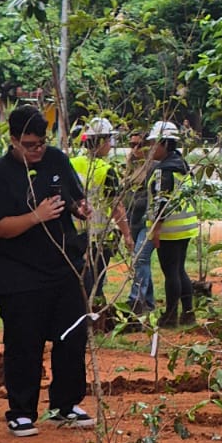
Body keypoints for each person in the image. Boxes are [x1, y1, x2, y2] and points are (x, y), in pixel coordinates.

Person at [0, 105, 95, 436]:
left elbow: (73, 198)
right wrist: (36, 216)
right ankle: (21, 411)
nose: (37, 150)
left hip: (63, 267)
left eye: (42, 143)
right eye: (30, 145)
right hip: (18, 274)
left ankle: (65, 405)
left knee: (71, 337)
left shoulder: (56, 160)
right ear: (13, 140)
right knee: (24, 343)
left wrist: (80, 208)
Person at [69, 116, 133, 307]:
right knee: (95, 282)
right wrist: (127, 235)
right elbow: (117, 207)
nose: (111, 145)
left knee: (78, 280)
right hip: (98, 237)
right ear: (102, 141)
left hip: (73, 234)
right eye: (109, 140)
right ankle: (94, 315)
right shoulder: (106, 170)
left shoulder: (72, 163)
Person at [144, 120, 200, 327]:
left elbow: (161, 201)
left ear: (165, 144)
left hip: (169, 229)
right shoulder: (181, 165)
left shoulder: (164, 170)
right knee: (179, 270)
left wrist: (156, 230)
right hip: (185, 228)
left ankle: (170, 316)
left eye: (154, 144)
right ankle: (188, 313)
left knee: (171, 273)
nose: (151, 149)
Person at [123, 129, 156, 319]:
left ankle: (135, 301)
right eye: (132, 145)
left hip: (148, 221)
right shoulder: (130, 166)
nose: (135, 149)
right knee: (140, 260)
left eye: (139, 145)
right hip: (133, 220)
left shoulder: (153, 168)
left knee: (140, 258)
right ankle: (148, 302)